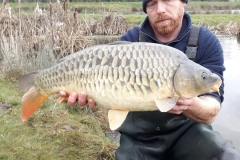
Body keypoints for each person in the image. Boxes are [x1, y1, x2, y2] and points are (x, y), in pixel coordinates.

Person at [59, 0, 240, 159]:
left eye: (167, 0)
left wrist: (190, 104)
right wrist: (92, 93)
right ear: (146, 9)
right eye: (152, 3)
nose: (160, 9)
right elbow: (105, 90)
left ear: (183, 2)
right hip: (140, 138)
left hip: (190, 133)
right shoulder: (129, 42)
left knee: (226, 156)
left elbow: (213, 109)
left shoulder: (206, 41)